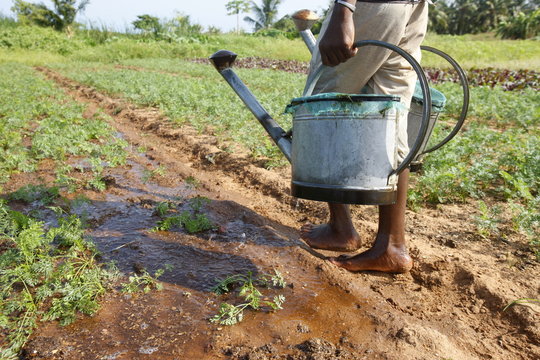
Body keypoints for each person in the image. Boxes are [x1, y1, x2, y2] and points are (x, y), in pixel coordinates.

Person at [300, 0, 429, 273]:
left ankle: (341, 228)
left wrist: (343, 9)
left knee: (323, 108)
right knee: (391, 118)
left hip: (373, 7)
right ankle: (392, 246)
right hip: (412, 8)